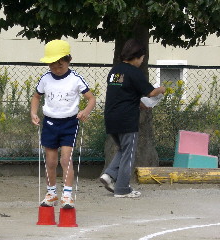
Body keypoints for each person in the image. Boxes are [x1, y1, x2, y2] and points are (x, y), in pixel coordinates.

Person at [31, 40, 96, 209]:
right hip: (50, 123)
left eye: (60, 66)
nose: (56, 69)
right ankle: (51, 193)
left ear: (69, 60)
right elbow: (36, 96)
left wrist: (85, 112)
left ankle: (67, 195)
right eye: (52, 66)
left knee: (66, 159)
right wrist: (33, 113)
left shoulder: (75, 79)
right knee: (51, 161)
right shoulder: (45, 79)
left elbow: (91, 98)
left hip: (69, 123)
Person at [100, 39, 166, 198]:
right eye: (142, 57)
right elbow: (150, 93)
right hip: (127, 119)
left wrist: (138, 102)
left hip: (111, 117)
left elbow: (123, 93)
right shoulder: (134, 72)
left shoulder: (115, 72)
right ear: (137, 56)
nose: (142, 60)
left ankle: (108, 175)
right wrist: (161, 89)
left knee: (123, 149)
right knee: (129, 153)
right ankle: (122, 188)